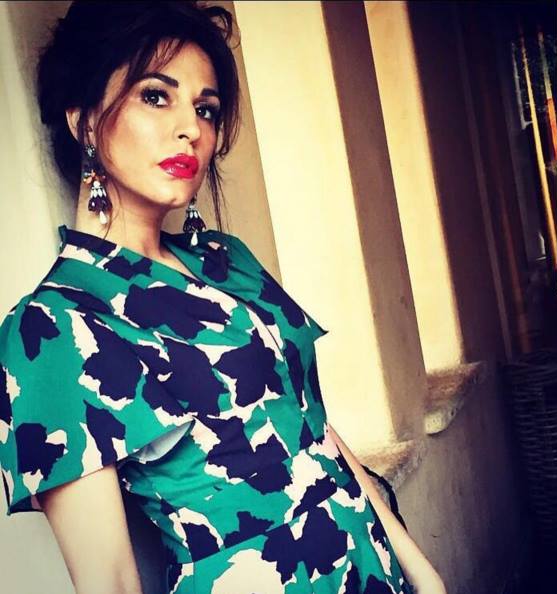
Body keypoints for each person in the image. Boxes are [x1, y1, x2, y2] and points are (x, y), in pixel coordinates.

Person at [0, 2, 446, 593]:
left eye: (204, 108)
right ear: (84, 121)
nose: (191, 128)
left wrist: (422, 572)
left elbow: (314, 431)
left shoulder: (226, 261)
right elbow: (110, 581)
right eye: (155, 96)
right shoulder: (51, 326)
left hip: (375, 573)